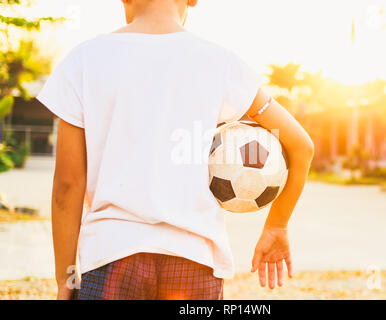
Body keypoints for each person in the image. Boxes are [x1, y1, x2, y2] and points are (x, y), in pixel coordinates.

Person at [37, 0, 314, 300]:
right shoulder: (221, 64)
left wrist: (65, 277)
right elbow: (301, 146)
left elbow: (67, 186)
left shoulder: (84, 60)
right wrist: (277, 225)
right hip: (194, 262)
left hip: (110, 258)